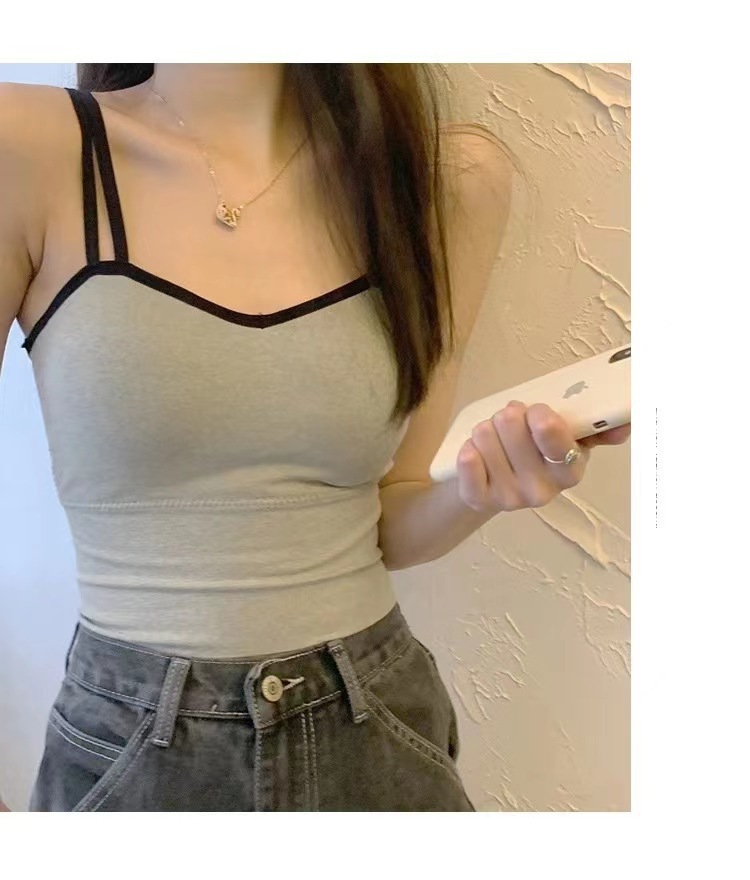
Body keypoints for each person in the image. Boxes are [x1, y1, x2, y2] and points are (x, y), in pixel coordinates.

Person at [0, 63, 630, 812]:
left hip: (375, 722)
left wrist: (483, 487)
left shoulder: (443, 179)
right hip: (131, 742)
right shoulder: (29, 143)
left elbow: (389, 518)